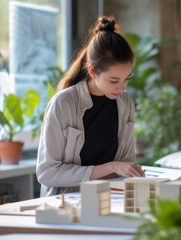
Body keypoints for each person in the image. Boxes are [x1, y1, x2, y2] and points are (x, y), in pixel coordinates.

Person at [37, 16, 145, 197]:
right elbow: (47, 173)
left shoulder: (125, 103)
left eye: (127, 78)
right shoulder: (63, 104)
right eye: (114, 80)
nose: (122, 87)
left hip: (111, 199)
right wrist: (110, 167)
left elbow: (124, 166)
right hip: (67, 203)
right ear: (92, 71)